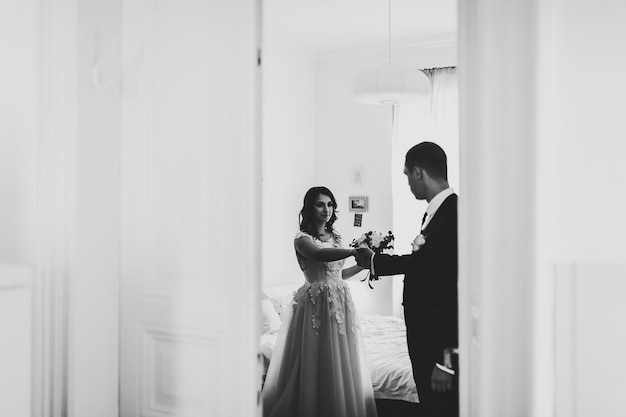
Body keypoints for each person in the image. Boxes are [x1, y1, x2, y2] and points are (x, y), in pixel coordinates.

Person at [355, 142, 459, 417]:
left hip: (437, 344)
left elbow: (452, 290)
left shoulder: (453, 214)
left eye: (406, 176)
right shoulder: (435, 212)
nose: (408, 184)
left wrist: (446, 362)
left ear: (418, 173)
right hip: (423, 339)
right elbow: (426, 266)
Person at [262, 186, 378, 417]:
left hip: (339, 301)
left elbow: (338, 274)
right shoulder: (302, 239)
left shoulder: (336, 237)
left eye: (330, 204)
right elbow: (319, 255)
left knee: (340, 355)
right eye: (320, 204)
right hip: (315, 305)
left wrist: (364, 265)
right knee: (317, 355)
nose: (326, 209)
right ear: (309, 208)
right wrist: (355, 251)